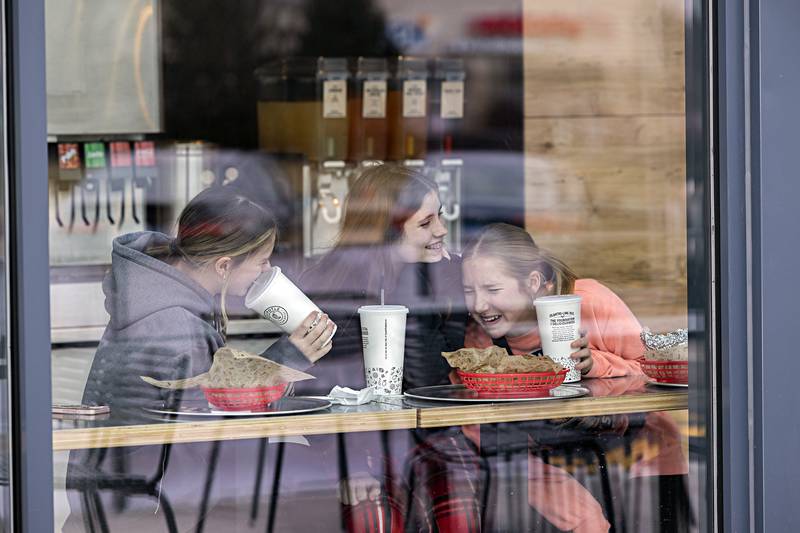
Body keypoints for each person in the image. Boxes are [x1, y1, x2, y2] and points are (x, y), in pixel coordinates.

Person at [64, 185, 336, 531]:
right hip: (148, 515)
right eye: (262, 262)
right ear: (224, 265)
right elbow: (208, 447)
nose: (268, 272)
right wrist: (289, 359)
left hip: (109, 507)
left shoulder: (149, 294)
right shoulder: (177, 326)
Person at [300, 164, 482, 532]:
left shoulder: (433, 275)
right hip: (358, 444)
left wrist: (434, 287)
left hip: (427, 436)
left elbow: (432, 380)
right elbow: (323, 388)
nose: (442, 230)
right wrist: (348, 465)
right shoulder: (336, 286)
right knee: (376, 522)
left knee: (459, 518)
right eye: (426, 222)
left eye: (440, 217)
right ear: (387, 229)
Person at [460, 223, 647, 533]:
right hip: (544, 467)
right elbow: (477, 426)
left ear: (532, 282)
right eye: (469, 291)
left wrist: (593, 365)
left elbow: (654, 370)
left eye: (492, 290)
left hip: (632, 451)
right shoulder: (479, 344)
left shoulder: (588, 300)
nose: (479, 305)